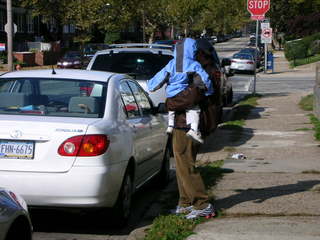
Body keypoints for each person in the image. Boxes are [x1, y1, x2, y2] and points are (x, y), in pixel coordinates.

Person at [149, 38, 218, 219]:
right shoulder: (193, 66)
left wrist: (168, 103)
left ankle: (202, 203)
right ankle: (186, 202)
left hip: (188, 124)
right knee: (181, 164)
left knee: (186, 164)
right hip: (182, 123)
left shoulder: (199, 68)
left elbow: (191, 97)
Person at [148, 38, 213, 144]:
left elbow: (160, 77)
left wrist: (151, 85)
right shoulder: (192, 64)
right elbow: (203, 79)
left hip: (171, 95)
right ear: (192, 50)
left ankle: (170, 125)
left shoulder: (172, 63)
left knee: (172, 108)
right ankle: (193, 129)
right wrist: (208, 91)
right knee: (193, 108)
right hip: (184, 93)